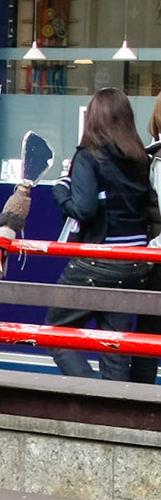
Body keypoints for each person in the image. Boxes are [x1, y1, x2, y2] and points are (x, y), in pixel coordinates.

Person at [48, 88, 161, 383]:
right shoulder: (140, 158)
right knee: (115, 346)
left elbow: (83, 210)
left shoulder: (89, 156)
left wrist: (60, 190)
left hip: (97, 261)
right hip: (137, 263)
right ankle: (116, 412)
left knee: (55, 331)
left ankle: (89, 395)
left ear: (93, 118)